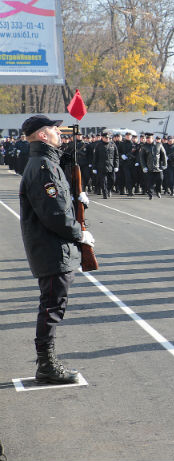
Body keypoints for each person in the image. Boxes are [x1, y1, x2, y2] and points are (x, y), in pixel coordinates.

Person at [19, 115, 96, 384]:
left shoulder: (47, 162)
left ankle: (46, 362)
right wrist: (80, 233)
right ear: (42, 135)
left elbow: (61, 201)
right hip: (52, 249)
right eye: (53, 129)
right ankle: (46, 365)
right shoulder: (43, 167)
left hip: (53, 248)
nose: (58, 132)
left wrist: (76, 195)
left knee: (53, 305)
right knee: (52, 308)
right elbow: (54, 213)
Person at [139, 132, 168, 199]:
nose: (148, 139)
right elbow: (142, 158)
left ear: (152, 138)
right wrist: (144, 167)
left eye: (149, 138)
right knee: (149, 182)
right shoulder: (144, 146)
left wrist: (165, 164)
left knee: (160, 179)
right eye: (147, 138)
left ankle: (158, 191)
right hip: (149, 167)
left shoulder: (159, 145)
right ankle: (150, 193)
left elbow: (163, 155)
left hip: (158, 167)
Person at [92, 131, 119, 199]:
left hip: (111, 166)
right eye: (106, 138)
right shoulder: (98, 145)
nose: (107, 139)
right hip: (101, 166)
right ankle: (105, 193)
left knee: (113, 180)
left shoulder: (113, 145)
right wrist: (94, 167)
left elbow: (116, 156)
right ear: (102, 138)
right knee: (103, 181)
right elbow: (95, 157)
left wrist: (116, 166)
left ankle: (109, 190)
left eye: (108, 138)